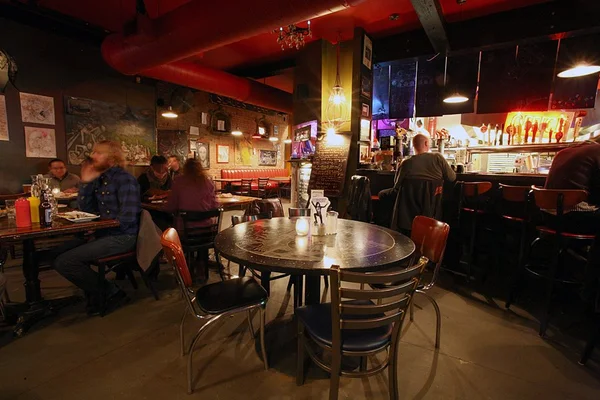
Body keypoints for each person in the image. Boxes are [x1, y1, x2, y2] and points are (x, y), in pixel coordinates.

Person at [53, 141, 141, 315]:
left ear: (112, 157)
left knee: (65, 262)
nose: (92, 156)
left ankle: (112, 292)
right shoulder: (99, 179)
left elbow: (128, 218)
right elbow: (85, 210)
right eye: (93, 152)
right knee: (53, 254)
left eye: (98, 153)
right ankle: (96, 291)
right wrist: (86, 182)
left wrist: (98, 226)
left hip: (122, 237)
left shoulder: (124, 179)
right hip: (103, 233)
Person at [545, 139, 600, 310]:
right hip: (571, 218)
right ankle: (589, 292)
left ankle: (584, 283)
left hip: (546, 217)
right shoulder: (597, 152)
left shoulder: (565, 151)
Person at [388, 133, 456, 233]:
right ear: (426, 143)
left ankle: (388, 232)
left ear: (413, 145)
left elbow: (396, 185)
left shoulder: (407, 163)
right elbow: (452, 177)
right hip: (432, 210)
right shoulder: (438, 158)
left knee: (383, 194)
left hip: (408, 214)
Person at [166, 158, 218, 278]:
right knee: (203, 230)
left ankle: (185, 264)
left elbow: (171, 206)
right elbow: (215, 205)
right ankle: (201, 263)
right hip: (207, 233)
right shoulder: (208, 182)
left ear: (185, 168)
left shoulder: (179, 181)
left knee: (170, 225)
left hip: (186, 232)